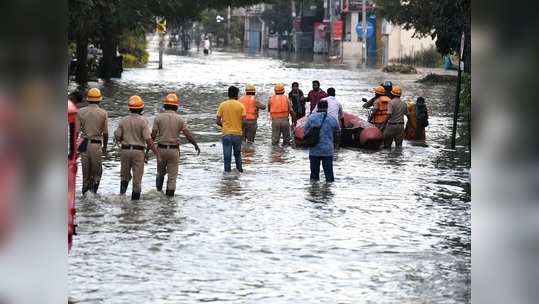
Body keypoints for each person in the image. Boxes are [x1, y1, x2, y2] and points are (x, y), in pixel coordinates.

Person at [151, 93, 200, 197]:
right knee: (172, 178)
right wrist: (195, 145)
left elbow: (153, 136)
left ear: (165, 105)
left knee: (160, 173)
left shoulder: (158, 118)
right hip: (174, 151)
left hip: (161, 150)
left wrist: (147, 150)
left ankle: (159, 194)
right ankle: (169, 203)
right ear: (176, 106)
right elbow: (188, 135)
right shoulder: (180, 119)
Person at [114, 95, 160, 200]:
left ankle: (122, 197)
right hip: (138, 152)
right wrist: (157, 153)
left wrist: (123, 140)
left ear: (129, 108)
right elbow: (148, 140)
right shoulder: (143, 121)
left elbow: (117, 136)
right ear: (141, 108)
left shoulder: (123, 120)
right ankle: (135, 205)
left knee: (124, 176)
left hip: (125, 151)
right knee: (137, 180)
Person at [77, 88, 108, 194]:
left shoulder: (80, 112)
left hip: (83, 142)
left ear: (88, 99)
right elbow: (105, 133)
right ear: (99, 100)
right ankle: (93, 195)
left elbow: (76, 132)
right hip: (96, 144)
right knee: (97, 172)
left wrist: (75, 148)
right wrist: (105, 148)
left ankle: (85, 195)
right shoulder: (103, 113)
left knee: (85, 174)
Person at [304, 100, 340, 182]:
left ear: (317, 107)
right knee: (329, 175)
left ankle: (313, 191)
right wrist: (335, 145)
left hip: (314, 149)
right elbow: (337, 132)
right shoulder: (332, 119)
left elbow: (305, 131)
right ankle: (327, 192)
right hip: (327, 150)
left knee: (314, 175)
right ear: (327, 108)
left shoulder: (311, 118)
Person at [216, 86, 246, 172]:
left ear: (228, 94)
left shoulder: (222, 105)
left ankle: (227, 175)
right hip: (237, 134)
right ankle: (240, 172)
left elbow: (217, 121)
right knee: (237, 155)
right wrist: (239, 128)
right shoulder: (241, 106)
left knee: (227, 156)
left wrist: (225, 126)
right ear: (237, 95)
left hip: (226, 135)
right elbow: (244, 122)